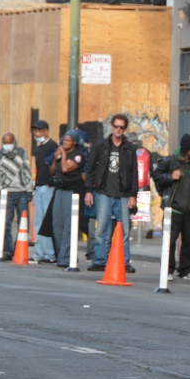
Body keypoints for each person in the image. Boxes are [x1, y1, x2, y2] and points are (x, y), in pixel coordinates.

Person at [84, 114, 139, 273]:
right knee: (101, 228)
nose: (118, 130)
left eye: (121, 127)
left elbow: (134, 172)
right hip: (103, 193)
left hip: (122, 194)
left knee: (124, 230)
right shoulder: (100, 145)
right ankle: (100, 260)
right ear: (112, 126)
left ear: (125, 129)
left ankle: (124, 261)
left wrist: (133, 195)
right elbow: (90, 169)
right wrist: (89, 191)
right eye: (116, 126)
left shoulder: (129, 148)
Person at [152, 134, 190, 280]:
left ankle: (185, 270)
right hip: (173, 209)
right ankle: (168, 270)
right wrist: (170, 177)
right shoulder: (170, 161)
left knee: (188, 241)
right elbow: (156, 175)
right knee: (169, 241)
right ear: (186, 149)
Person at [0, 132, 34, 260]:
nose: (8, 145)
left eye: (10, 142)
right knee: (5, 223)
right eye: (5, 142)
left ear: (14, 142)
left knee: (23, 223)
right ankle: (8, 250)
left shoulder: (21, 153)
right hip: (6, 193)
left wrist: (29, 189)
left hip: (22, 192)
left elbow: (26, 171)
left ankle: (19, 247)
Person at [50, 130, 88, 268]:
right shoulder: (60, 154)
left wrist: (63, 155)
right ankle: (61, 254)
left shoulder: (78, 156)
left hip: (72, 191)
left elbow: (66, 169)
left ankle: (66, 257)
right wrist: (55, 159)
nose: (64, 143)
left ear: (75, 142)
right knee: (57, 225)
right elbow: (52, 171)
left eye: (68, 141)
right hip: (59, 190)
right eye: (63, 140)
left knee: (68, 226)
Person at [31, 120, 59, 263]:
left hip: (47, 187)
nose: (37, 133)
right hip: (39, 186)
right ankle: (39, 252)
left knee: (46, 222)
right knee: (38, 221)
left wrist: (50, 182)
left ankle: (50, 253)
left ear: (47, 131)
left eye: (40, 131)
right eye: (35, 131)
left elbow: (56, 165)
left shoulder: (52, 146)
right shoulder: (38, 148)